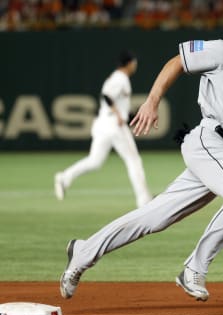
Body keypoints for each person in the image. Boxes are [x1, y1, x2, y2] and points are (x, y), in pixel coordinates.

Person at [59, 4, 223, 302]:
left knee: (153, 218)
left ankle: (84, 251)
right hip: (209, 142)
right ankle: (194, 269)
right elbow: (177, 62)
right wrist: (151, 101)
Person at [54, 51, 152, 208]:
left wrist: (131, 115)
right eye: (134, 62)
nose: (136, 65)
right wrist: (118, 114)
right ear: (129, 63)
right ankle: (144, 200)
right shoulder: (121, 78)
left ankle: (64, 177)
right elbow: (107, 95)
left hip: (103, 123)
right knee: (133, 160)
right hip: (114, 125)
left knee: (95, 161)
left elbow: (116, 102)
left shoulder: (116, 77)